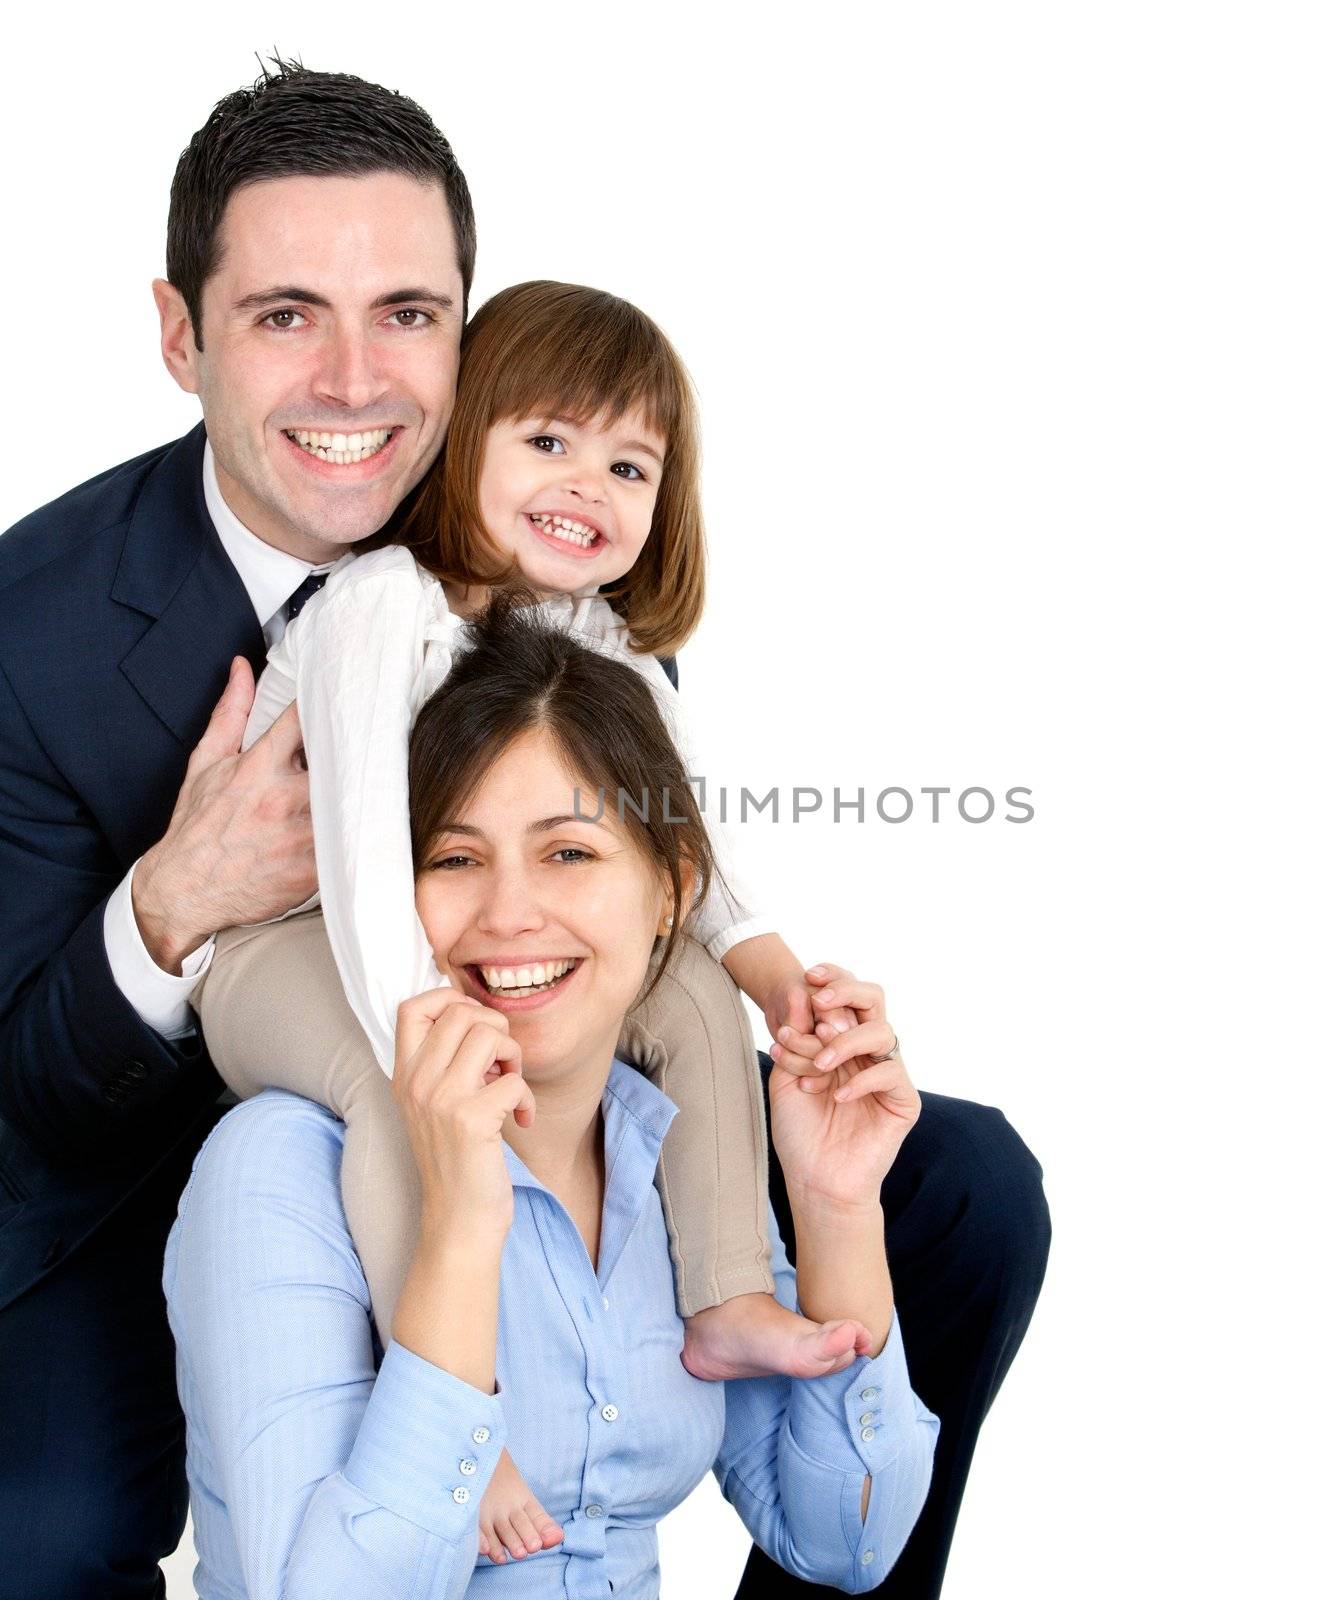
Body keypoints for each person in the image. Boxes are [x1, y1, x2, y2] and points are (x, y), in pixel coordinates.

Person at [0, 59, 1049, 1599]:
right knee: (39, 1524)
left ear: (466, 334)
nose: (356, 381)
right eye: (288, 314)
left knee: (958, 1186)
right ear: (182, 336)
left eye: (409, 317)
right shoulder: (32, 632)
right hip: (145, 1148)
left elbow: (634, 873)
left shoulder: (555, 569)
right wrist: (164, 912)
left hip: (495, 1043)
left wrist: (760, 984)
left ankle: (728, 1339)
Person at [191, 276, 892, 1562]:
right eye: (549, 442)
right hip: (291, 943)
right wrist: (436, 1022)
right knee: (393, 1083)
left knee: (679, 996)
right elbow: (355, 857)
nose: (588, 485)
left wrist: (776, 977)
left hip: (433, 931)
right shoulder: (380, 605)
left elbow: (683, 849)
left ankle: (730, 1287)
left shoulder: (600, 643)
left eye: (630, 465)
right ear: (467, 441)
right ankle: (470, 1405)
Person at [164, 597, 939, 1596]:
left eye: (569, 852)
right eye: (452, 859)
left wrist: (838, 1208)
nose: (509, 913)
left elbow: (849, 1543)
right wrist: (456, 1239)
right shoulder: (278, 1170)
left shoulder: (667, 1154)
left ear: (673, 889)